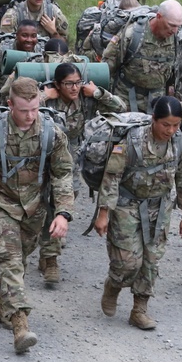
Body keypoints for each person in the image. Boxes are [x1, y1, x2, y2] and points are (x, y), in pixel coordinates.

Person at [0, 77, 74, 353]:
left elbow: (63, 174)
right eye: (24, 110)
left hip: (35, 208)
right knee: (10, 260)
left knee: (19, 261)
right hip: (1, 204)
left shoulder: (51, 133)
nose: (30, 116)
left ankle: (3, 307)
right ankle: (20, 323)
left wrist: (63, 213)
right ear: (10, 105)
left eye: (35, 109)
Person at [93, 96, 182, 330]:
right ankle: (114, 286)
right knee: (127, 263)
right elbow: (112, 177)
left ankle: (139, 309)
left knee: (151, 261)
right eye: (165, 125)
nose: (170, 130)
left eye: (176, 125)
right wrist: (103, 214)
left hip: (159, 208)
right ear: (154, 120)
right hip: (126, 206)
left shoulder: (180, 143)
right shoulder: (131, 142)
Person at [38, 63, 127, 283]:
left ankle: (50, 254)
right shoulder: (49, 99)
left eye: (77, 82)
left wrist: (96, 92)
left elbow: (120, 108)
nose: (74, 88)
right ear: (57, 85)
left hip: (71, 156)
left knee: (66, 198)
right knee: (44, 202)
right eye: (69, 84)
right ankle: (48, 254)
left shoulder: (85, 99)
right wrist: (42, 96)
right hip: (43, 155)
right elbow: (20, 108)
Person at [102, 0, 182, 113]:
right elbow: (107, 67)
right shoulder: (132, 35)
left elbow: (176, 71)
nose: (174, 30)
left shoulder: (176, 39)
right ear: (159, 16)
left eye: (178, 26)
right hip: (126, 101)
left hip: (157, 103)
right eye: (171, 25)